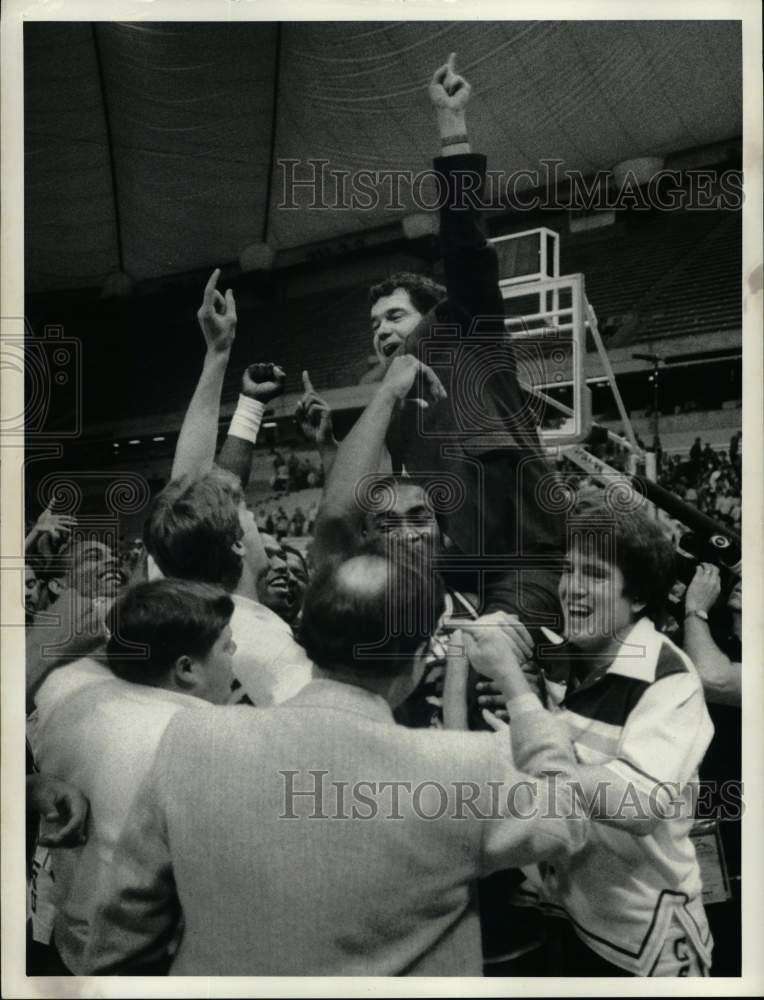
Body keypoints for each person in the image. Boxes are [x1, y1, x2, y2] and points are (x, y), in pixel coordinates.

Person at [81, 547, 592, 976]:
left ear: (306, 633)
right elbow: (569, 813)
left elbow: (125, 924)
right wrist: (516, 686)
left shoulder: (192, 739)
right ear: (416, 664)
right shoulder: (460, 771)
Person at [515, 490, 715, 976]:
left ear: (640, 597)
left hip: (649, 941)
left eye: (597, 575)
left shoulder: (671, 677)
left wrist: (525, 716)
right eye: (570, 569)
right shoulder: (563, 661)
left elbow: (638, 804)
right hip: (576, 913)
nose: (573, 588)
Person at [27, 579, 237, 974]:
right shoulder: (208, 745)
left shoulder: (62, 691)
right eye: (227, 646)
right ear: (187, 668)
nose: (236, 654)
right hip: (152, 962)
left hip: (71, 946)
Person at [144, 469, 313, 707]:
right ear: (237, 544)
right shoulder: (269, 649)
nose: (255, 518)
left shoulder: (197, 630)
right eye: (248, 513)